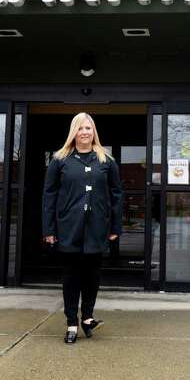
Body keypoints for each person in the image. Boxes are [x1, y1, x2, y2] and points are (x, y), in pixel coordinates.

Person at [42, 112, 123, 344]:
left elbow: (117, 194)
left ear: (94, 131)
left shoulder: (106, 160)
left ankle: (87, 317)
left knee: (92, 277)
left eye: (89, 128)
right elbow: (49, 196)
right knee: (71, 278)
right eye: (80, 128)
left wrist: (115, 225)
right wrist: (49, 230)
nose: (85, 132)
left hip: (97, 228)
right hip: (68, 228)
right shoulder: (60, 160)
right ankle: (71, 323)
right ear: (73, 132)